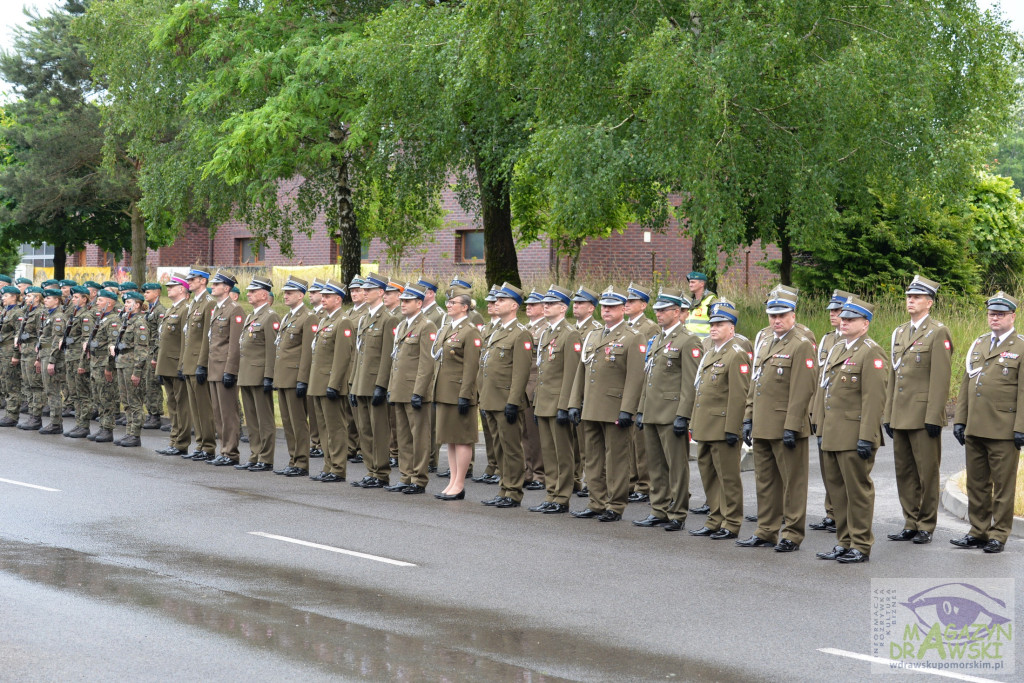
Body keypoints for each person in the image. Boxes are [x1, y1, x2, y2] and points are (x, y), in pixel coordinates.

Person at [737, 289, 817, 551]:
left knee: (793, 483)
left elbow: (803, 389)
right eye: (772, 316)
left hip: (785, 425)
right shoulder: (765, 342)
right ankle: (766, 530)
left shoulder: (801, 344)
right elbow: (755, 384)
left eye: (782, 315)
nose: (776, 320)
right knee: (765, 481)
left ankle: (792, 534)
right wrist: (748, 417)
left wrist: (792, 425)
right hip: (763, 423)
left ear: (793, 315)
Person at [814, 296, 887, 564]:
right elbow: (825, 392)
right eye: (842, 318)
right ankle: (844, 541)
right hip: (833, 433)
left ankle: (861, 544)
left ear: (865, 324)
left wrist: (867, 436)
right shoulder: (837, 349)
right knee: (837, 492)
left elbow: (873, 399)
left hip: (855, 434)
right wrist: (821, 428)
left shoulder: (871, 352)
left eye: (850, 319)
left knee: (857, 492)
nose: (843, 322)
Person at [950, 292, 1024, 554]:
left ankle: (999, 534)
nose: (995, 318)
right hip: (975, 426)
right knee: (976, 483)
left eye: (1000, 314)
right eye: (992, 314)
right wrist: (960, 420)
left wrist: (1020, 427)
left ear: (1012, 317)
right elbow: (967, 384)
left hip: (1003, 429)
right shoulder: (979, 343)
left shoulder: (1020, 346)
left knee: (1003, 486)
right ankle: (978, 531)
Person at [882, 276, 952, 546]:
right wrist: (888, 414)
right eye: (909, 297)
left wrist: (934, 415)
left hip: (923, 416)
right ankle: (910, 522)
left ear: (929, 302)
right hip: (900, 414)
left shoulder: (938, 332)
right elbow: (894, 376)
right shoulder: (900, 332)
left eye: (917, 297)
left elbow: (940, 378)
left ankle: (926, 525)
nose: (910, 301)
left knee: (927, 473)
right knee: (905, 472)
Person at [568, 287, 644, 522]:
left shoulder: (633, 337)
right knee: (593, 458)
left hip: (615, 408)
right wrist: (574, 403)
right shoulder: (593, 335)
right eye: (604, 307)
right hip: (591, 406)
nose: (607, 311)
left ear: (623, 309)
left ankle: (615, 504)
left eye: (612, 307)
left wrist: (627, 409)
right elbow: (581, 371)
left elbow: (635, 377)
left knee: (616, 459)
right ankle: (596, 502)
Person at [633, 290, 701, 531]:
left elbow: (691, 382)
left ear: (676, 312)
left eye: (663, 310)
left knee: (676, 466)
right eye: (657, 310)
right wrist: (641, 409)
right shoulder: (657, 339)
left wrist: (683, 415)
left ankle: (678, 512)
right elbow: (649, 377)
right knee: (655, 465)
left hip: (672, 413)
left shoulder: (688, 340)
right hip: (652, 410)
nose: (658, 314)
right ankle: (659, 509)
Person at [688, 301, 750, 539]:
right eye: (712, 324)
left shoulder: (736, 354)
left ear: (731, 328)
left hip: (723, 427)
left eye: (720, 324)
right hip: (705, 425)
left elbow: (739, 395)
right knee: (709, 475)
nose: (713, 328)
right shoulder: (710, 353)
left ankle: (731, 523)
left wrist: (734, 428)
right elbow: (701, 392)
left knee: (728, 478)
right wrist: (694, 423)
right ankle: (715, 518)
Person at [478, 283, 533, 509]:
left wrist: (513, 401)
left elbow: (521, 372)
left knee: (511, 448)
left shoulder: (520, 333)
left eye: (501, 300)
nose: (496, 303)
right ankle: (504, 488)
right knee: (499, 448)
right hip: (491, 398)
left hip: (506, 401)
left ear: (513, 306)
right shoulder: (496, 331)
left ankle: (514, 491)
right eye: (496, 300)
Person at [530, 285, 581, 514]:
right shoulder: (546, 333)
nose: (545, 306)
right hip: (543, 402)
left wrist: (565, 405)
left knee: (562, 454)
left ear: (562, 308)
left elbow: (571, 373)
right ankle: (551, 493)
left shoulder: (570, 334)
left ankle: (562, 497)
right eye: (545, 303)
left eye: (550, 303)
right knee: (549, 453)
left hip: (558, 402)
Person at [385, 282, 437, 494]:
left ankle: (419, 478)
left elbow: (427, 363)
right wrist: (391, 387)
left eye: (407, 301)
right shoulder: (402, 325)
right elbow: (396, 360)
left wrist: (419, 391)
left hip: (415, 391)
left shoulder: (426, 326)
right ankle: (405, 476)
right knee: (403, 437)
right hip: (400, 389)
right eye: (402, 300)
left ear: (419, 303)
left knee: (419, 437)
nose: (403, 304)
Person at [432, 288, 482, 501]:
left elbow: (471, 366)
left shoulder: (470, 331)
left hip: (459, 392)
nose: (449, 305)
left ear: (465, 307)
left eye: (453, 302)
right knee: (450, 439)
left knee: (461, 439)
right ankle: (452, 481)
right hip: (445, 391)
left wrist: (466, 394)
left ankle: (459, 484)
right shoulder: (447, 328)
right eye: (448, 302)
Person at [809, 289, 852, 533]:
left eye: (838, 310)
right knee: (827, 467)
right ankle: (831, 512)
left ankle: (844, 515)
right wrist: (814, 412)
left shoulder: (852, 340)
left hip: (842, 414)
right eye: (831, 311)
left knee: (842, 469)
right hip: (823, 409)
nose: (833, 314)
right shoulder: (826, 340)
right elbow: (819, 378)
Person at [348, 273, 397, 488]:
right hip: (361, 382)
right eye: (364, 289)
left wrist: (381, 385)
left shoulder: (388, 319)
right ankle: (371, 470)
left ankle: (381, 472)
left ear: (381, 292)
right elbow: (358, 355)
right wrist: (353, 382)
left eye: (369, 289)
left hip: (375, 383)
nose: (364, 292)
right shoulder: (364, 318)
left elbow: (388, 355)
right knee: (365, 430)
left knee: (379, 431)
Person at [307, 279, 354, 483]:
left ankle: (338, 468)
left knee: (335, 427)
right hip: (318, 382)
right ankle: (329, 465)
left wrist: (334, 384)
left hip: (330, 383)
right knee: (324, 427)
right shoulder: (325, 320)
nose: (323, 299)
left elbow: (342, 357)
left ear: (338, 299)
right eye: (323, 296)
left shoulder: (343, 321)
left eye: (327, 296)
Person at [234, 277, 280, 472]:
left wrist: (269, 376)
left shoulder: (270, 316)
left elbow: (272, 349)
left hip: (260, 374)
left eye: (253, 291)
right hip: (246, 373)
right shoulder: (252, 315)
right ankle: (255, 454)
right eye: (249, 291)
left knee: (264, 419)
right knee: (251, 419)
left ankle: (266, 458)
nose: (249, 294)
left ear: (264, 294)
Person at [273, 275, 315, 477]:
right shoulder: (288, 316)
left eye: (290, 293)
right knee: (288, 422)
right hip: (283, 377)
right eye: (285, 293)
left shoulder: (308, 317)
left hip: (295, 377)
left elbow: (307, 352)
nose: (286, 296)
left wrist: (302, 379)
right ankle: (293, 459)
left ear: (301, 295)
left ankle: (302, 462)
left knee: (298, 422)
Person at [205, 271, 245, 466]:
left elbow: (235, 344)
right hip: (214, 367)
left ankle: (231, 452)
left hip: (224, 368)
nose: (213, 287)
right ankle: (224, 450)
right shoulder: (218, 309)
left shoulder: (235, 310)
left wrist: (231, 370)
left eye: (216, 284)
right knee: (218, 412)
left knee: (228, 412)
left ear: (226, 288)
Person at [625, 283, 659, 504]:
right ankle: (630, 480)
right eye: (626, 301)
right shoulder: (625, 326)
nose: (627, 304)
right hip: (626, 387)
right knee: (627, 440)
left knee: (640, 441)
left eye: (632, 301)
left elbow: (648, 362)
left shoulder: (650, 328)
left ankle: (644, 484)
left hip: (640, 388)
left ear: (643, 305)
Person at [180, 268, 217, 461]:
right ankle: (200, 444)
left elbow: (207, 337)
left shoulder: (209, 303)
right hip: (189, 362)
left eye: (193, 279)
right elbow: (187, 337)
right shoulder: (194, 303)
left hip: (198, 363)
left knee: (204, 408)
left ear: (203, 281)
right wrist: (183, 363)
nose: (189, 282)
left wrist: (202, 364)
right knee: (195, 408)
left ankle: (208, 446)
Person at [154, 274, 193, 456]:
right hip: (167, 364)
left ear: (182, 289)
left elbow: (186, 340)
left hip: (177, 364)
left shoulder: (185, 309)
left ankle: (181, 443)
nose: (168, 289)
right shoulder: (172, 309)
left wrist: (183, 364)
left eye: (172, 286)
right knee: (172, 404)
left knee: (182, 405)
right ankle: (174, 440)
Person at [570, 286, 603, 497]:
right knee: (573, 442)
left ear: (591, 308)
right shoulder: (572, 329)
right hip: (573, 391)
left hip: (587, 393)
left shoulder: (596, 330)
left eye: (580, 303)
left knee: (587, 445)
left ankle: (590, 482)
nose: (576, 306)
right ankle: (575, 479)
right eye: (575, 303)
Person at [113, 291, 151, 447]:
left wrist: (137, 372)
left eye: (129, 302)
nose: (125, 305)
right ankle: (129, 432)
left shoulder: (140, 323)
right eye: (125, 302)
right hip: (122, 363)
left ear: (137, 305)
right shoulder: (127, 321)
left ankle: (135, 434)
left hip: (132, 365)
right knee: (126, 401)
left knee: (135, 401)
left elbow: (142, 351)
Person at [85, 289, 119, 443]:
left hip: (103, 363)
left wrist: (108, 368)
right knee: (98, 397)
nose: (97, 302)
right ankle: (102, 427)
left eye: (100, 300)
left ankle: (107, 429)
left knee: (106, 397)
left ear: (109, 303)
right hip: (95, 362)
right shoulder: (102, 318)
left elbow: (113, 345)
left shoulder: (113, 320)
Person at [521, 289, 546, 491]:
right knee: (525, 432)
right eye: (527, 304)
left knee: (535, 435)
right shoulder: (526, 329)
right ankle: (528, 471)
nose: (528, 307)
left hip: (536, 386)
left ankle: (539, 473)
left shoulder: (546, 329)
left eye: (533, 304)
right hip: (524, 385)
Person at [36, 288, 68, 435]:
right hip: (44, 355)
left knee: (53, 390)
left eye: (49, 298)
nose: (46, 300)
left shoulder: (58, 317)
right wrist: (39, 358)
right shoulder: (49, 315)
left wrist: (52, 361)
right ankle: (54, 422)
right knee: (49, 390)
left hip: (51, 356)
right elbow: (43, 338)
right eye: (45, 298)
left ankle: (56, 423)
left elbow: (57, 340)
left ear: (57, 300)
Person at [62, 286, 92, 438]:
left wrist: (83, 363)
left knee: (83, 394)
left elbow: (87, 341)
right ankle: (79, 423)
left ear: (84, 299)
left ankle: (84, 425)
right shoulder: (74, 314)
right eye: (73, 297)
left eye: (76, 297)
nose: (73, 299)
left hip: (79, 358)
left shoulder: (86, 316)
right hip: (70, 357)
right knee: (74, 393)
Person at [15, 286, 45, 431]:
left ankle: (36, 417)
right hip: (25, 351)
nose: (26, 298)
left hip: (33, 352)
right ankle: (32, 414)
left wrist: (39, 358)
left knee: (35, 386)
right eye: (26, 296)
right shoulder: (28, 311)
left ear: (37, 298)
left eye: (29, 296)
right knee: (27, 385)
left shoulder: (40, 313)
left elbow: (41, 336)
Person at [141, 283, 166, 429]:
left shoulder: (160, 311)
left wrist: (156, 356)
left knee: (153, 384)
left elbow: (160, 334)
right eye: (145, 292)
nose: (145, 294)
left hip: (153, 351)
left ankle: (155, 415)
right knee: (147, 383)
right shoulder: (150, 309)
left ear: (156, 293)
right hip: (147, 350)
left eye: (148, 292)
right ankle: (150, 412)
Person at [0, 284, 23, 427]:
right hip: (2, 351)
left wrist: (15, 354)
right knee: (4, 383)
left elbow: (18, 336)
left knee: (12, 384)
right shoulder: (5, 311)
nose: (3, 298)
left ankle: (12, 415)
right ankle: (8, 413)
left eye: (6, 296)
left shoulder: (17, 313)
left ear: (14, 297)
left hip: (9, 352)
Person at [684, 272, 716, 339]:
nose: (690, 285)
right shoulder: (689, 301)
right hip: (689, 343)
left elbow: (717, 324)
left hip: (704, 343)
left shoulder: (711, 300)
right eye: (689, 282)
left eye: (693, 282)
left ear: (702, 284)